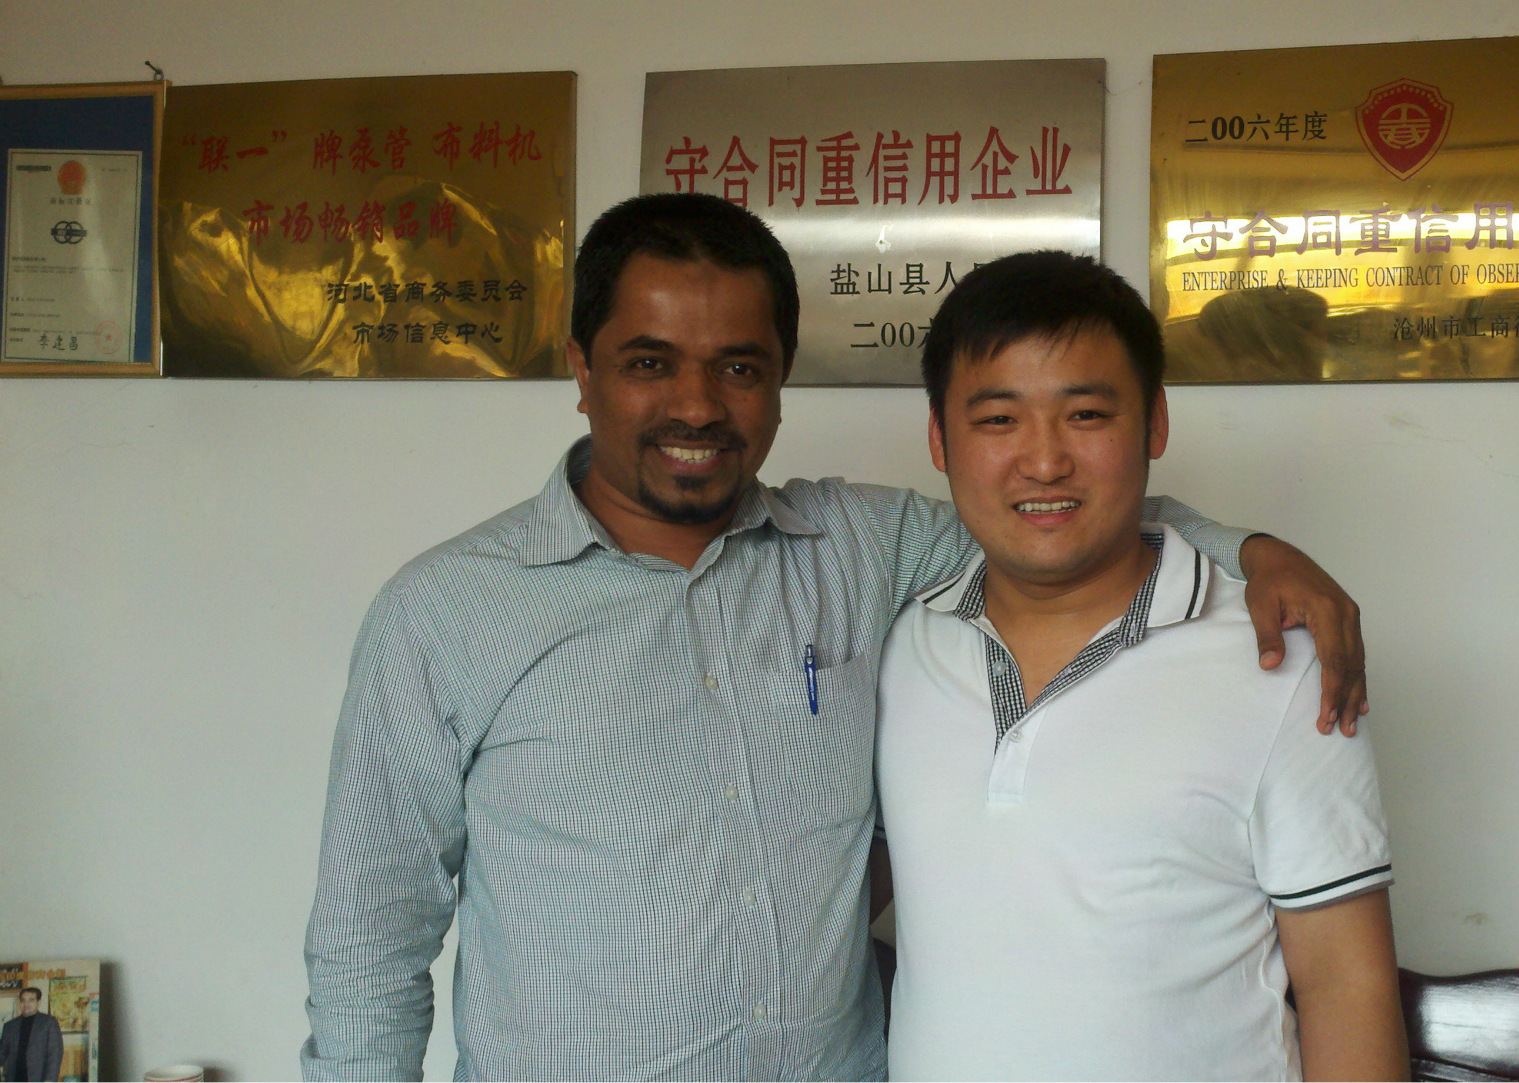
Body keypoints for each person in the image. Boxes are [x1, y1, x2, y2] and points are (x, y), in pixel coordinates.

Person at [301, 193, 1369, 1081]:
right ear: (581, 369)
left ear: (779, 379)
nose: (696, 406)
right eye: (649, 362)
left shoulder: (862, 548)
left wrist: (1254, 549)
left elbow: (1049, 513)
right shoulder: (445, 611)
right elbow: (367, 945)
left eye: (739, 367)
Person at [877, 251, 1406, 1080]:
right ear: (940, 440)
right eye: (998, 419)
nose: (1044, 461)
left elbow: (1346, 980)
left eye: (1086, 414)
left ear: (1154, 423)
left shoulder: (1277, 658)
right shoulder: (903, 643)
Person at [1, 987, 62, 1083]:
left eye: (31, 1000)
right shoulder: (9, 1026)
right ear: (19, 1002)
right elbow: (2, 1052)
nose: (26, 1004)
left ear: (39, 1002)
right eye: (23, 1000)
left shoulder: (49, 1022)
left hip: (39, 1078)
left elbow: (55, 1053)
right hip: (14, 1078)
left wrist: (50, 1079)